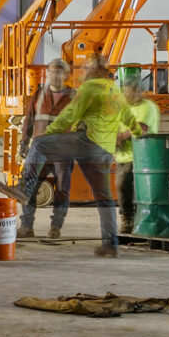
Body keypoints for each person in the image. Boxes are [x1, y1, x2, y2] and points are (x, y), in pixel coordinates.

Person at [38, 66, 131, 257]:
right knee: (104, 197)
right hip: (104, 149)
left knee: (40, 146)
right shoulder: (114, 94)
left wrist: (49, 133)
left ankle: (25, 188)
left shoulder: (88, 91)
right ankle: (110, 243)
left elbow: (70, 117)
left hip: (89, 147)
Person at [0, 64, 78, 220]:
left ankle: (56, 225)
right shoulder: (39, 94)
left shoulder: (74, 96)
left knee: (62, 188)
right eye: (51, 73)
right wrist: (24, 143)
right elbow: (29, 119)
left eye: (58, 73)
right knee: (30, 181)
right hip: (42, 148)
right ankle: (26, 222)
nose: (54, 76)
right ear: (47, 74)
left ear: (65, 76)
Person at [114, 68, 163, 217]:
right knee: (123, 188)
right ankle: (129, 216)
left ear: (137, 91)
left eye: (127, 92)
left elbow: (141, 128)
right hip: (123, 155)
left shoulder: (147, 107)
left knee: (127, 186)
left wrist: (121, 136)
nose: (124, 95)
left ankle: (130, 217)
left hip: (140, 156)